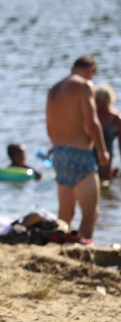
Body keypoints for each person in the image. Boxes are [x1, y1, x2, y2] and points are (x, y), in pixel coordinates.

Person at [46, 56, 109, 243]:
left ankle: (61, 248)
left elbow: (50, 128)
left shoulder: (54, 89)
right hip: (81, 154)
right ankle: (84, 250)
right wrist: (102, 150)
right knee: (91, 214)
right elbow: (92, 123)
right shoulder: (84, 86)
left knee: (65, 215)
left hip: (59, 154)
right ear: (91, 69)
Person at [94, 84, 121, 181]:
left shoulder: (117, 118)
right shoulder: (91, 115)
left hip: (107, 154)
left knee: (104, 180)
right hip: (90, 153)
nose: (99, 105)